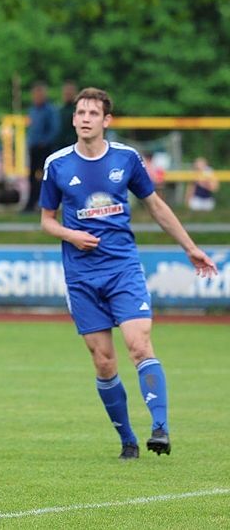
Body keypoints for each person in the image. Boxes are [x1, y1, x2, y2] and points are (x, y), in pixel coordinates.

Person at [39, 87, 217, 460]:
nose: (85, 118)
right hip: (81, 276)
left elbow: (156, 206)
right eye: (80, 112)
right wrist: (72, 234)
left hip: (123, 268)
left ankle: (160, 427)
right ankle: (127, 439)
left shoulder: (127, 158)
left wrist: (190, 247)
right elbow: (47, 222)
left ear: (107, 121)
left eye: (93, 113)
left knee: (140, 345)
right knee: (104, 361)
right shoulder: (56, 164)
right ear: (73, 119)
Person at [24, 82, 60, 213]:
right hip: (34, 148)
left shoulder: (50, 110)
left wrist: (45, 142)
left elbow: (55, 129)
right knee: (32, 176)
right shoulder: (32, 110)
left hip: (45, 149)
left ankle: (43, 203)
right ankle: (31, 202)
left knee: (43, 177)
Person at [54, 80, 78, 149]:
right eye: (66, 92)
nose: (68, 94)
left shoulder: (79, 111)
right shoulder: (58, 110)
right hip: (59, 146)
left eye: (70, 92)